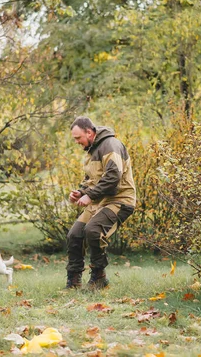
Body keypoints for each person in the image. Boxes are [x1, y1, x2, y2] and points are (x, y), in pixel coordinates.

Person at [66, 116, 137, 290]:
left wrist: (89, 196)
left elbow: (113, 177)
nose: (77, 142)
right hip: (100, 201)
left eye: (78, 138)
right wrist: (80, 192)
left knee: (93, 230)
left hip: (120, 200)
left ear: (89, 132)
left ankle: (99, 278)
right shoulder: (92, 150)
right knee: (74, 235)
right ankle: (73, 283)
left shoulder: (110, 145)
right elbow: (91, 179)